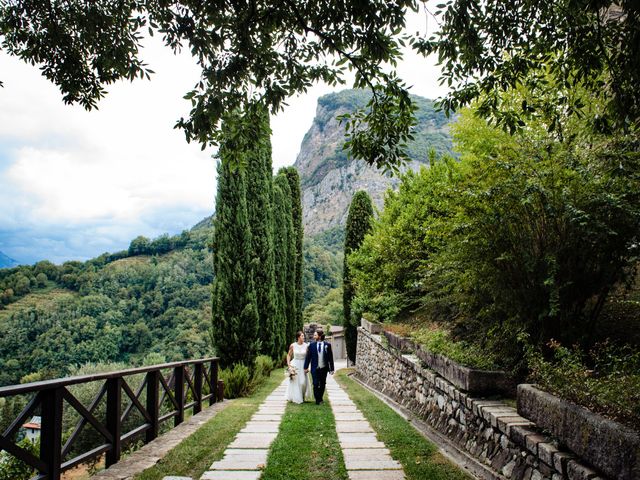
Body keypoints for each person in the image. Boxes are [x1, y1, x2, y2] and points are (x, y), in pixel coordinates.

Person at [304, 329, 335, 405]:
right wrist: (305, 367)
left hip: (324, 368)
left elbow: (330, 358)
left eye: (315, 335)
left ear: (320, 336)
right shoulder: (311, 345)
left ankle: (320, 397)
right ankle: (318, 400)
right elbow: (308, 357)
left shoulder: (327, 345)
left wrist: (332, 369)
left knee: (322, 384)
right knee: (315, 383)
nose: (314, 336)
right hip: (315, 368)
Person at [285, 331, 312, 403]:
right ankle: (296, 397)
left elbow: (308, 357)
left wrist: (308, 366)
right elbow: (289, 355)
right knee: (295, 381)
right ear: (298, 337)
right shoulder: (293, 345)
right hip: (295, 365)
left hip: (303, 365)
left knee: (303, 382)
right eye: (302, 336)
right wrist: (289, 365)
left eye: (303, 336)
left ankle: (302, 396)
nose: (303, 337)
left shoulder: (306, 346)